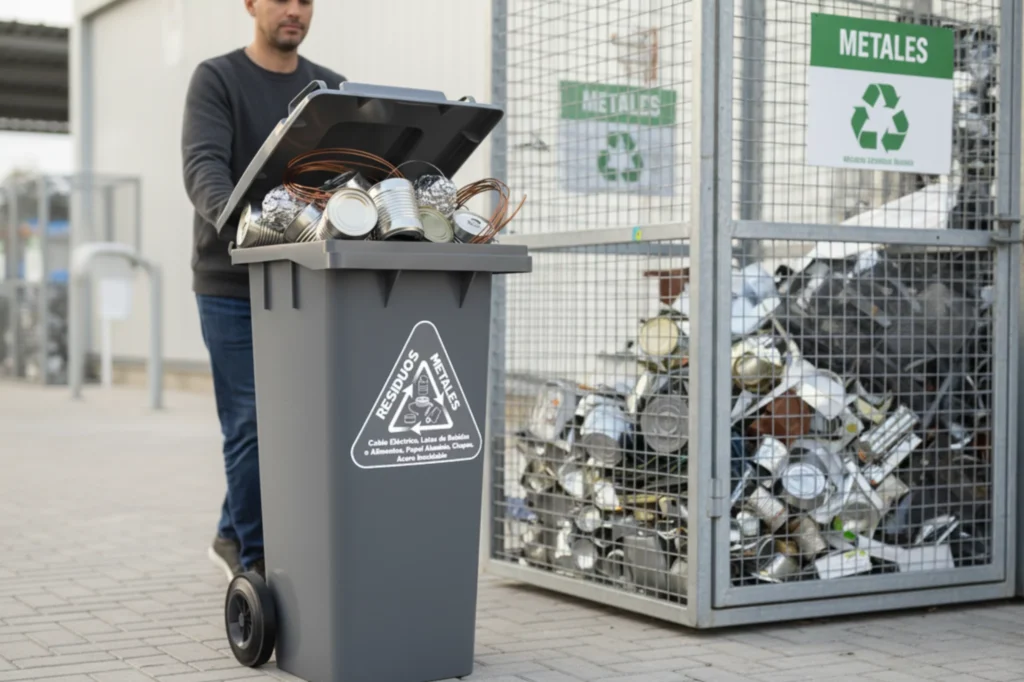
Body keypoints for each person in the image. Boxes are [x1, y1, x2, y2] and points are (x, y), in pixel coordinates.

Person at [180, 0, 345, 581]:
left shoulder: (329, 91)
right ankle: (258, 562)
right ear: (250, 4)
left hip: (306, 279)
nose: (293, 10)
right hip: (232, 280)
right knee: (251, 421)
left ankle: (230, 531)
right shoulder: (218, 79)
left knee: (294, 419)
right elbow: (204, 167)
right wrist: (249, 226)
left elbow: (348, 175)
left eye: (305, 0)